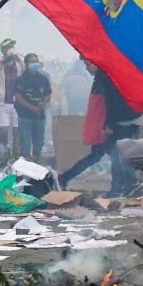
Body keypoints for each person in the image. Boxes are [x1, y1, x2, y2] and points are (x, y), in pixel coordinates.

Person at [58, 60, 108, 189]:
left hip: (103, 125)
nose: (87, 68)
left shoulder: (103, 80)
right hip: (105, 126)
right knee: (107, 156)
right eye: (85, 65)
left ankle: (65, 177)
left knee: (101, 156)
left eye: (88, 64)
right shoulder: (101, 80)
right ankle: (120, 187)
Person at [14, 53, 51, 161]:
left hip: (40, 117)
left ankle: (36, 162)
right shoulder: (20, 79)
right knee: (25, 142)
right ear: (26, 64)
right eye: (32, 62)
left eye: (36, 61)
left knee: (39, 141)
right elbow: (18, 97)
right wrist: (31, 108)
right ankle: (25, 164)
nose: (35, 64)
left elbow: (48, 95)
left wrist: (43, 103)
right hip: (25, 116)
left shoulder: (43, 79)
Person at [0, 38, 21, 156]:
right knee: (4, 129)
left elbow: (25, 75)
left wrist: (20, 61)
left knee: (17, 131)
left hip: (17, 102)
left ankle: (15, 155)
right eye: (8, 47)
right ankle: (6, 146)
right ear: (2, 50)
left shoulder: (18, 61)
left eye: (12, 46)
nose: (10, 49)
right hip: (3, 103)